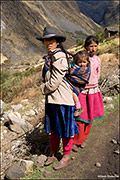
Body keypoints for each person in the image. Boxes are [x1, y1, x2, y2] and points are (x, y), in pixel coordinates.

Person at [36, 26, 79, 170]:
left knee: (65, 128)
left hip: (62, 99)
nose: (48, 43)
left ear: (57, 42)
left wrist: (42, 88)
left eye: (51, 40)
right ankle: (53, 153)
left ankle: (66, 156)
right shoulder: (52, 56)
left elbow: (54, 81)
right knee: (53, 128)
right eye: (46, 40)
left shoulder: (59, 57)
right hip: (53, 99)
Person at [72, 35, 104, 152]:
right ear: (86, 47)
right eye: (91, 46)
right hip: (83, 91)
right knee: (80, 117)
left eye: (95, 46)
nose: (93, 49)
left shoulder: (97, 59)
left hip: (94, 90)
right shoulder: (83, 59)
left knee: (90, 116)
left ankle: (84, 138)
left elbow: (98, 73)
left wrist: (96, 84)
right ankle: (76, 141)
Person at [71, 50, 90, 117]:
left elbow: (71, 72)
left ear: (88, 62)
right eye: (80, 62)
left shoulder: (86, 69)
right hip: (73, 84)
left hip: (79, 85)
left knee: (73, 93)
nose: (82, 64)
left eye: (84, 62)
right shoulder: (75, 67)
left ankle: (78, 107)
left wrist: (69, 73)